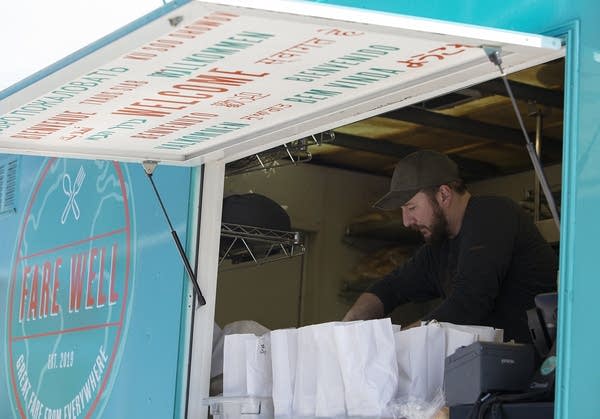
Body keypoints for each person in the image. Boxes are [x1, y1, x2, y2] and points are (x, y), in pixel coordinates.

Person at [343, 150, 558, 343]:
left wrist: (398, 345)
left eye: (411, 207)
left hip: (539, 371)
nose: (406, 221)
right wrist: (344, 329)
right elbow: (390, 288)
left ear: (444, 194)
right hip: (488, 373)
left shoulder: (492, 215)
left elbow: (469, 303)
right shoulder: (439, 247)